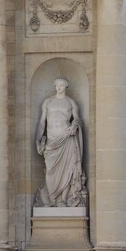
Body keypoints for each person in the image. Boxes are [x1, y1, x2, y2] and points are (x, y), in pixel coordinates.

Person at [34, 77, 88, 207]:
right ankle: (52, 200)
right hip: (52, 140)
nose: (58, 88)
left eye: (61, 85)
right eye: (57, 85)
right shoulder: (48, 102)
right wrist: (38, 139)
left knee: (68, 170)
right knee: (50, 170)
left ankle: (63, 200)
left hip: (67, 138)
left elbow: (78, 119)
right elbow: (42, 123)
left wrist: (75, 125)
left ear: (66, 86)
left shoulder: (71, 102)